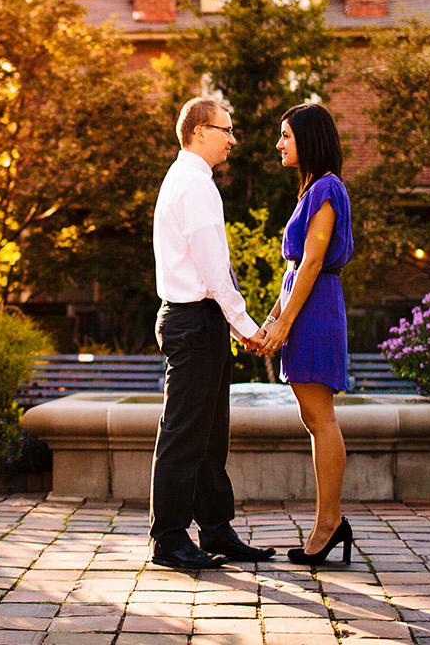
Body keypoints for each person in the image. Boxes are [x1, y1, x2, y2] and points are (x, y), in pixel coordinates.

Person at [148, 97, 275, 570]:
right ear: (200, 131)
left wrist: (232, 322)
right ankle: (169, 539)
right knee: (183, 433)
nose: (233, 138)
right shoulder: (193, 185)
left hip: (201, 320)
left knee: (209, 434)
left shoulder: (189, 179)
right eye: (227, 129)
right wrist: (247, 326)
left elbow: (215, 269)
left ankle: (216, 530)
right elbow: (213, 270)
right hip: (194, 319)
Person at [258, 102, 356, 565]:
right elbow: (296, 268)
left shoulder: (328, 189)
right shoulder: (312, 190)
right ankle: (328, 524)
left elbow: (313, 263)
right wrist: (272, 317)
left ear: (309, 139)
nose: (279, 144)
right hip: (304, 306)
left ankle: (329, 526)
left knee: (321, 420)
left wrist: (286, 321)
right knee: (314, 420)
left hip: (315, 312)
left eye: (286, 136)